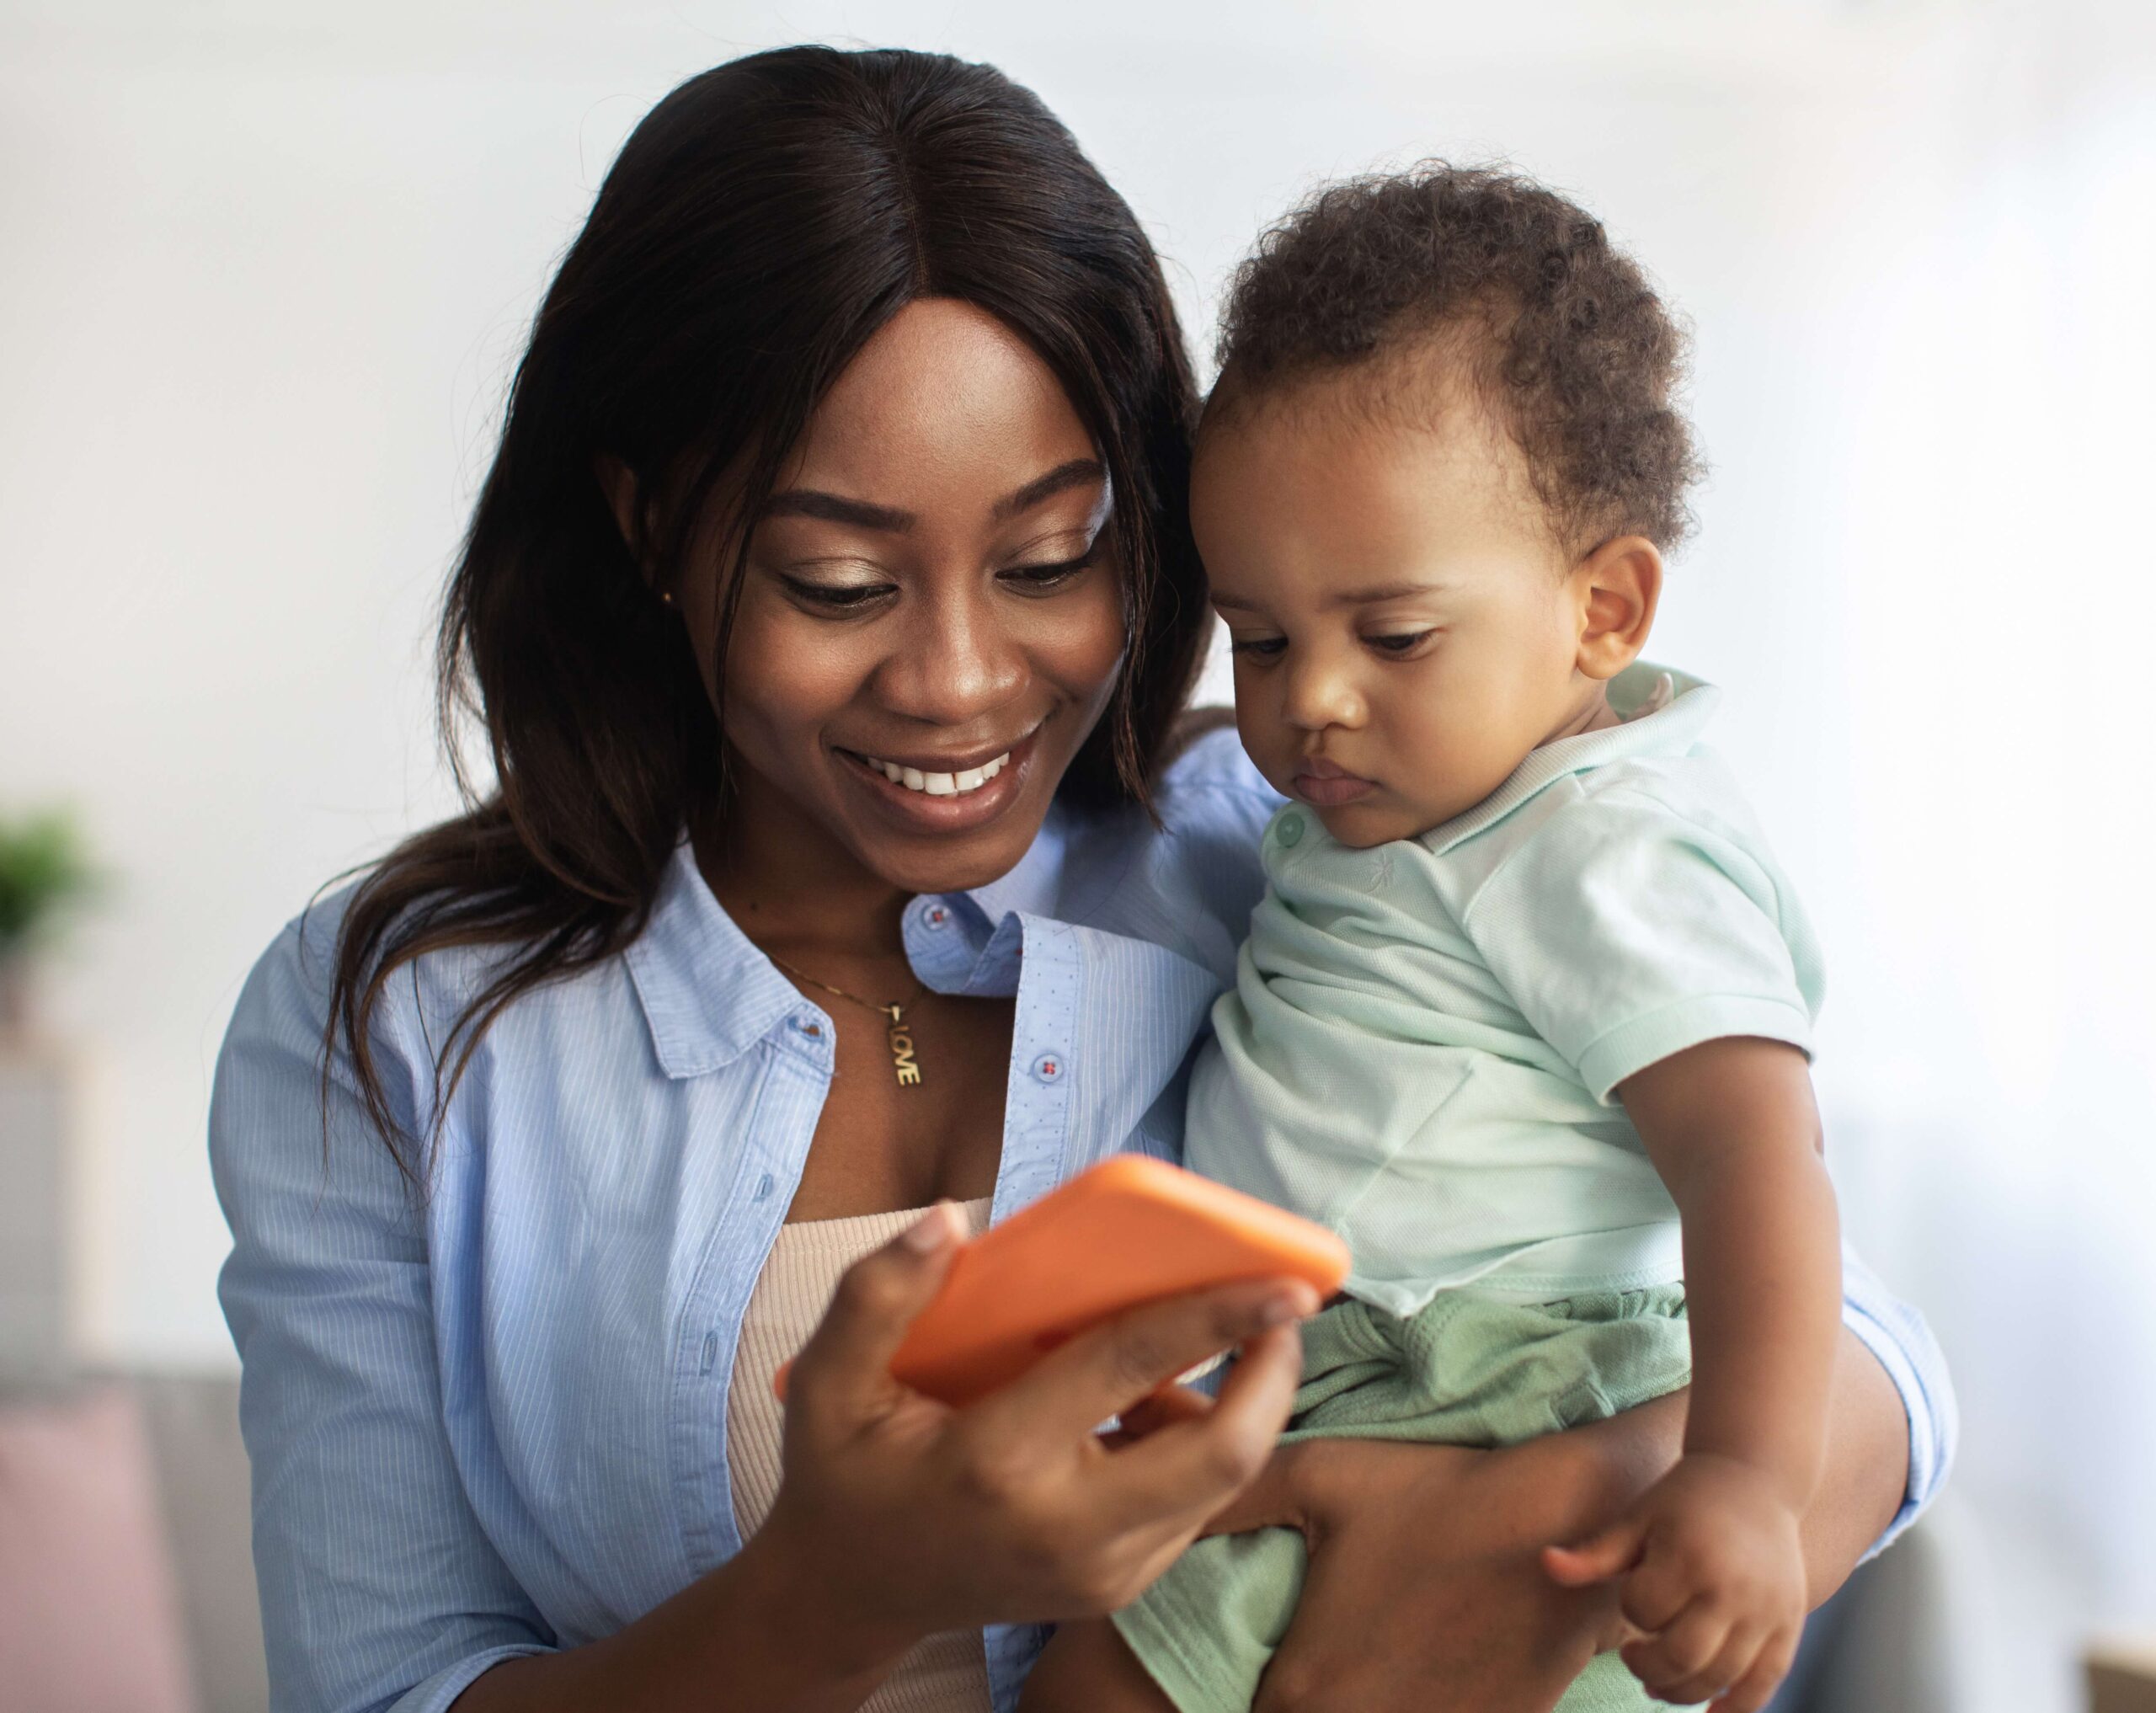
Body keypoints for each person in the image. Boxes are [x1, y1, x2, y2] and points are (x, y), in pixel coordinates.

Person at [208, 48, 1954, 1713]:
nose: (960, 682)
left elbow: (1839, 1318)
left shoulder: (1268, 841)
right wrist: (832, 1591)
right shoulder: (395, 1020)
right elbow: (387, 1687)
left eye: (1052, 557)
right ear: (652, 527)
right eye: (835, 582)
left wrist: (1548, 1526)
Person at [1021, 165, 1877, 1713]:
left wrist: (1749, 1472)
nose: (1310, 699)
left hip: (1509, 1382)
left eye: (1393, 636)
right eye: (1260, 637)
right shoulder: (1387, 809)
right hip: (1334, 1375)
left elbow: (1760, 1161)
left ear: (1604, 608)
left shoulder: (1600, 838)